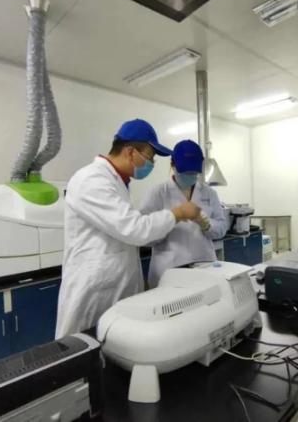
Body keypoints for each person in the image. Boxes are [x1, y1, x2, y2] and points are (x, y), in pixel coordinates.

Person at [55, 119, 201, 338]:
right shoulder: (91, 180)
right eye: (149, 157)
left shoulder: (118, 182)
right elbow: (135, 229)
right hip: (93, 294)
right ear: (131, 152)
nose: (151, 163)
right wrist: (178, 213)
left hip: (114, 290)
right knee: (83, 350)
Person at [139, 139, 228, 287]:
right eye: (185, 172)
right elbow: (144, 235)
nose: (190, 176)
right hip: (168, 271)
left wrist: (207, 225)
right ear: (172, 164)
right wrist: (171, 219)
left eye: (194, 172)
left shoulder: (209, 193)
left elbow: (221, 229)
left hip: (204, 266)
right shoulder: (157, 193)